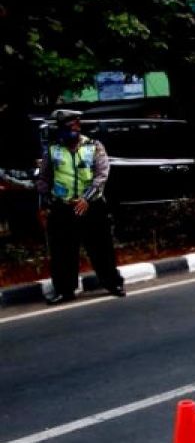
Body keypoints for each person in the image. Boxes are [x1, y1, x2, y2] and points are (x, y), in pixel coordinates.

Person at [35, 109, 125, 304]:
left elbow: (101, 176)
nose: (73, 130)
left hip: (91, 206)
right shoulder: (52, 149)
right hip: (63, 207)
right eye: (68, 127)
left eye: (75, 125)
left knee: (101, 247)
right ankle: (64, 290)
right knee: (62, 252)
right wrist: (44, 205)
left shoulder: (94, 146)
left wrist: (86, 199)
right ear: (61, 129)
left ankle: (112, 283)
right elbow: (44, 178)